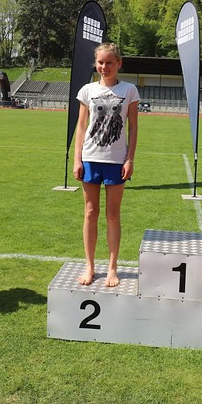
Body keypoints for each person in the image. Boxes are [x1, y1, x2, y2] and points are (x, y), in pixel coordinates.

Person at [73, 43, 140, 287]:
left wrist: (130, 158)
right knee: (90, 213)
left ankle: (112, 268)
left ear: (119, 63)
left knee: (113, 215)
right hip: (91, 158)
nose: (104, 67)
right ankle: (90, 266)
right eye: (100, 62)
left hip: (116, 160)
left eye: (109, 62)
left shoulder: (129, 90)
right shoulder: (87, 90)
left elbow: (133, 128)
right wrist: (77, 159)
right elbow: (81, 126)